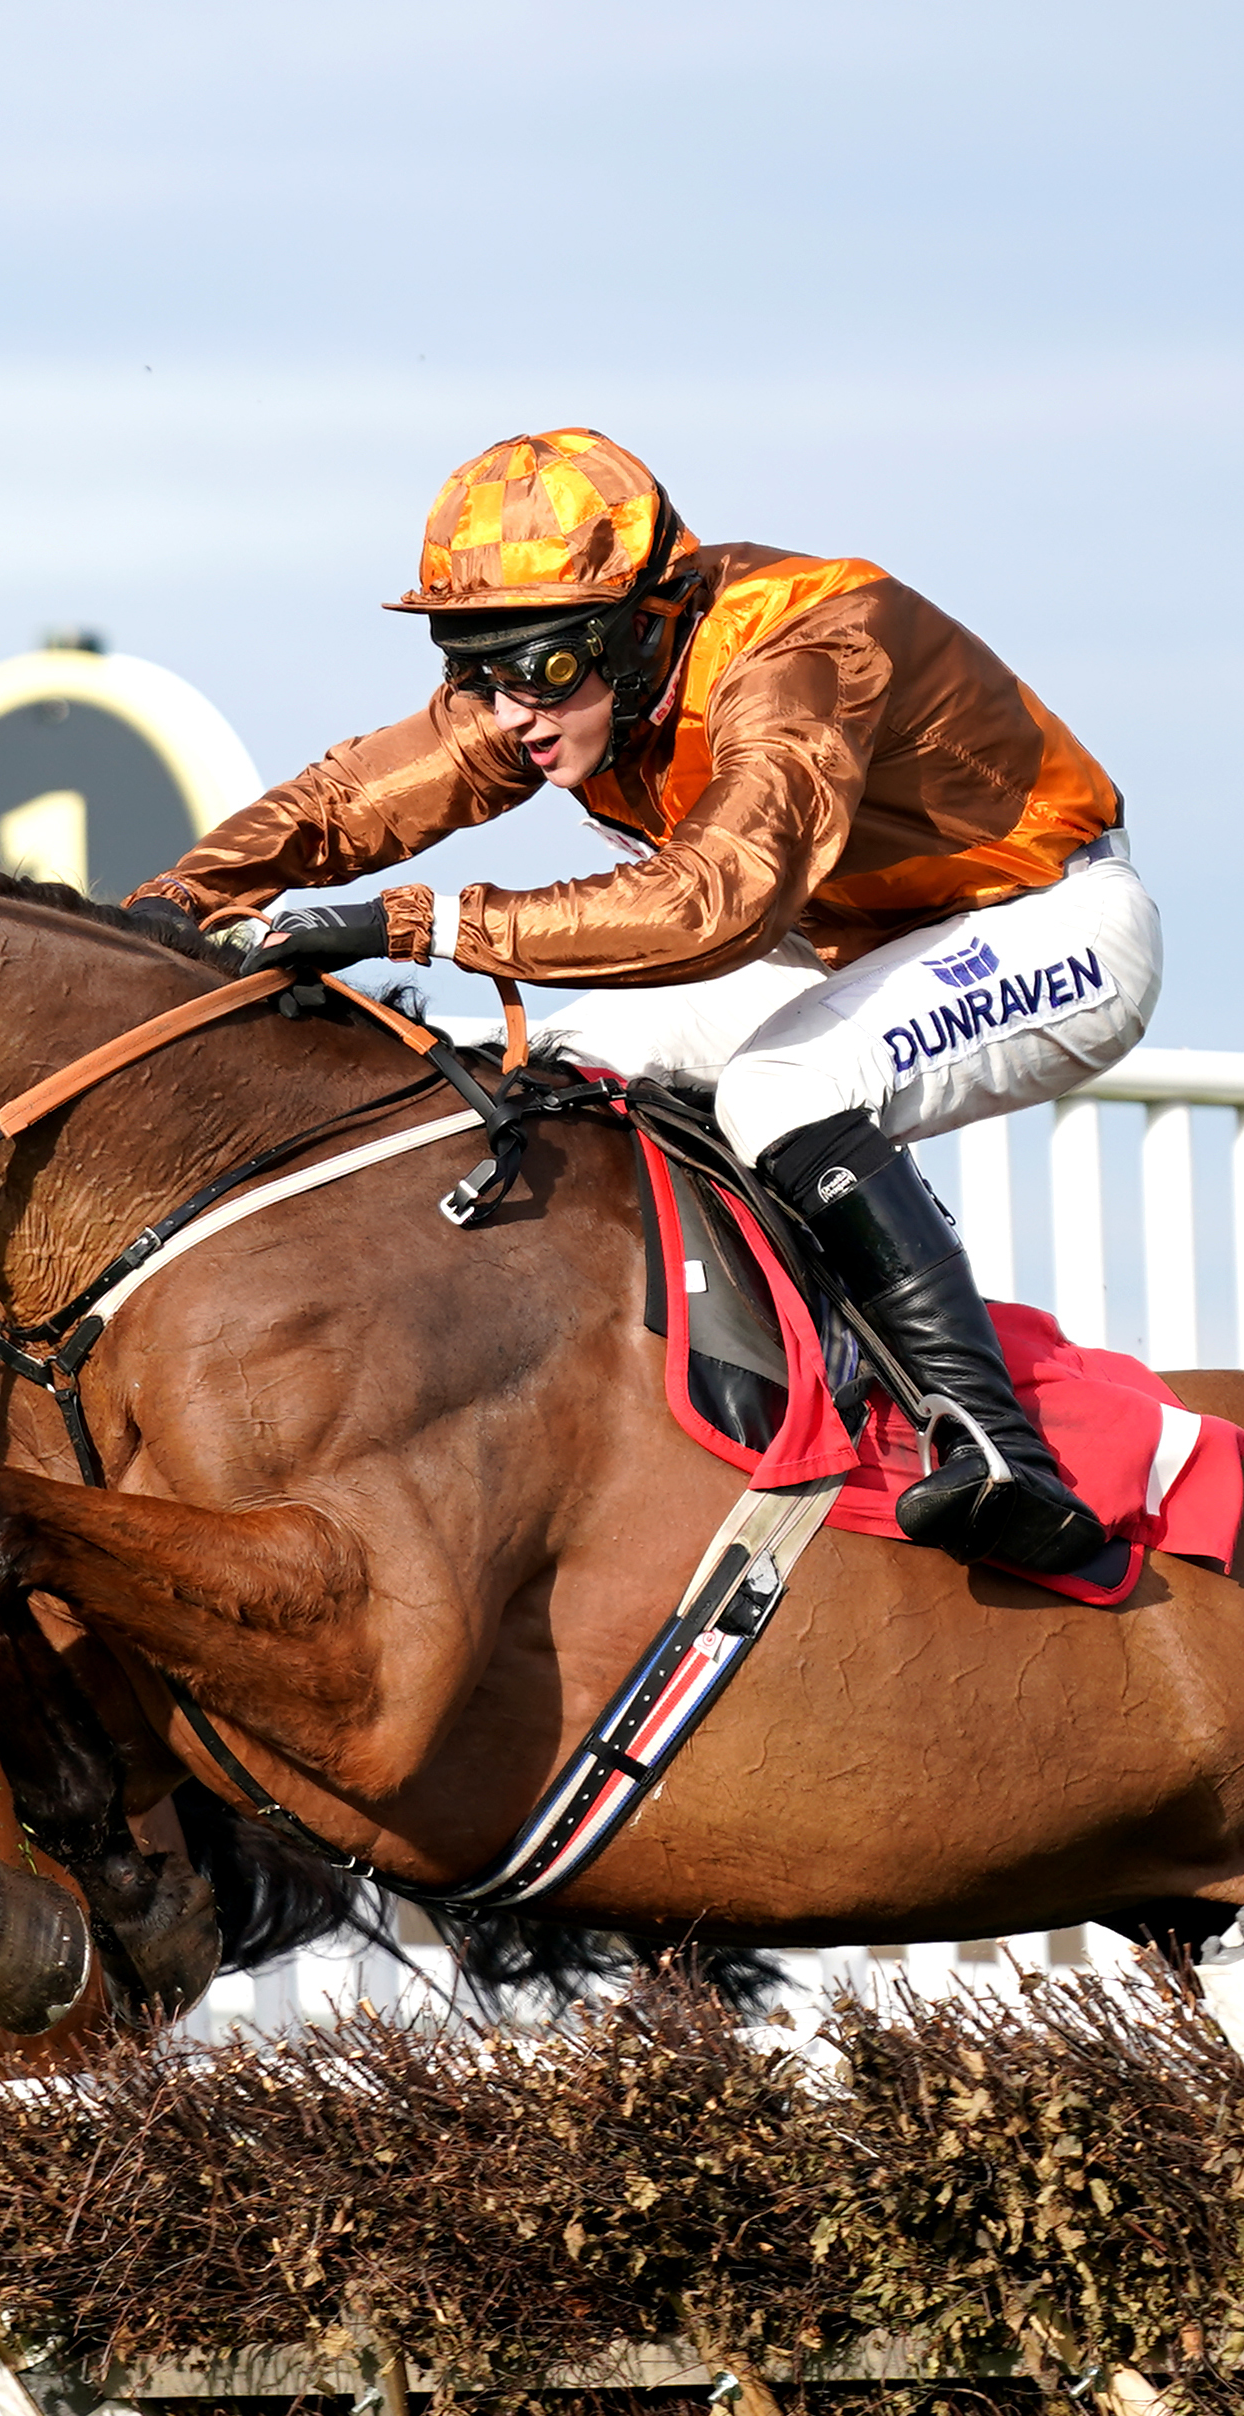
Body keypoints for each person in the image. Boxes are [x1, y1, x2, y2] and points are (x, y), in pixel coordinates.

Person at [129, 431, 1157, 1579]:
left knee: (786, 1085)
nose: (512, 710)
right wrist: (158, 912)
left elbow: (716, 903)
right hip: (841, 945)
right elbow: (346, 802)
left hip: (1041, 919)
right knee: (556, 1065)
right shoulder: (566, 678)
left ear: (644, 620)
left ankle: (993, 1444)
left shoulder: (806, 646)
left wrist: (419, 924)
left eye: (546, 669)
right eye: (474, 665)